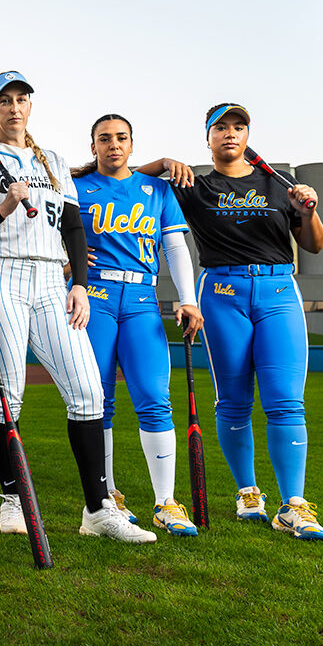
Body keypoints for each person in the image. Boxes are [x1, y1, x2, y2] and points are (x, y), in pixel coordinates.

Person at [0, 71, 156, 544]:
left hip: (53, 278)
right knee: (8, 395)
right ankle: (11, 498)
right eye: (3, 100)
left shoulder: (53, 160)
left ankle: (97, 509)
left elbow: (73, 225)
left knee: (89, 391)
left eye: (21, 99)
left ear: (31, 106)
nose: (13, 108)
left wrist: (81, 284)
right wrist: (5, 206)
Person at [138, 103, 323, 540]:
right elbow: (132, 179)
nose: (229, 133)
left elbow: (315, 244)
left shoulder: (277, 185)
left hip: (279, 290)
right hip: (222, 293)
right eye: (220, 127)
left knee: (286, 401)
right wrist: (166, 163)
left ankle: (294, 506)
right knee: (233, 400)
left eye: (238, 126)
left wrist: (309, 208)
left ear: (248, 134)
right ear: (207, 137)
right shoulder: (194, 186)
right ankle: (248, 493)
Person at [70, 114, 204, 536]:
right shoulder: (76, 188)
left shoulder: (157, 189)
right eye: (104, 138)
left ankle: (166, 502)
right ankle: (108, 497)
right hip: (96, 300)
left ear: (132, 144)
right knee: (98, 398)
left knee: (153, 396)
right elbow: (50, 230)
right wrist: (66, 254)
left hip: (144, 299)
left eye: (121, 138)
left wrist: (188, 299)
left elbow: (175, 245)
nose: (113, 144)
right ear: (92, 146)